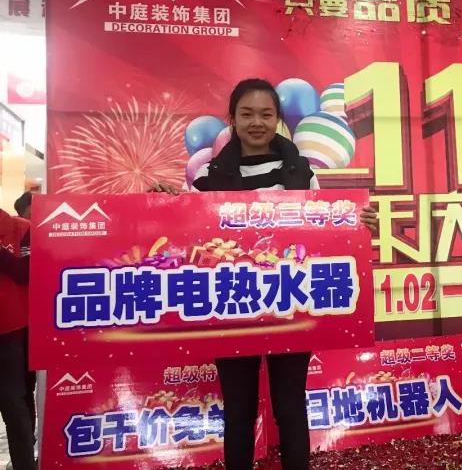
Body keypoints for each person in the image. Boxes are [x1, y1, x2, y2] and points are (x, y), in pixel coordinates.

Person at [152, 78, 378, 470]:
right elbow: (189, 236)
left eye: (266, 114)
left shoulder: (301, 172)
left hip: (289, 301)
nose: (256, 122)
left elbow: (324, 229)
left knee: (290, 407)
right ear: (233, 119)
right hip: (232, 303)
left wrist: (359, 224)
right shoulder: (208, 175)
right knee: (238, 410)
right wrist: (165, 208)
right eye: (247, 114)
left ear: (278, 120)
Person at [0, 194, 35, 470]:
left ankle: (24, 463)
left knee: (15, 402)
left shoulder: (21, 228)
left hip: (11, 332)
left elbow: (26, 272)